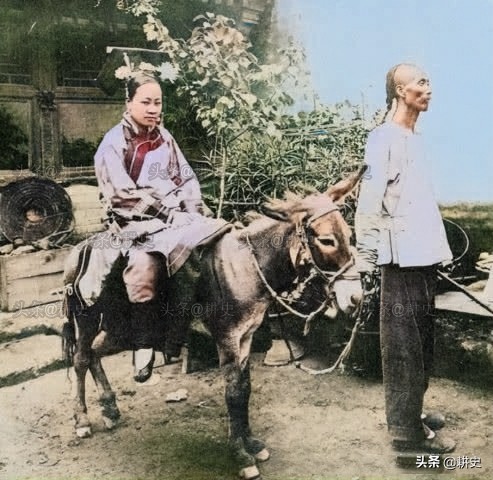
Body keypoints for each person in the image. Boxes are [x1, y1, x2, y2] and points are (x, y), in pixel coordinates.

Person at [91, 73, 231, 383]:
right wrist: (168, 215)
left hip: (176, 216)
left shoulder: (164, 137)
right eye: (146, 102)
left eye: (158, 102)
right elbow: (121, 195)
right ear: (129, 103)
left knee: (215, 237)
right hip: (134, 222)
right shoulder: (113, 143)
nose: (153, 109)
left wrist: (191, 210)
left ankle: (197, 322)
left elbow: (185, 178)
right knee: (144, 267)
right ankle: (145, 346)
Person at [354, 63, 456, 453]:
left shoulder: (415, 138)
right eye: (421, 83)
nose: (428, 89)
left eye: (429, 81)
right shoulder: (384, 138)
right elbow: (369, 201)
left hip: (423, 256)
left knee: (422, 342)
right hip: (399, 260)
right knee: (402, 346)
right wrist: (366, 257)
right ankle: (404, 431)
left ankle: (411, 413)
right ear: (400, 90)